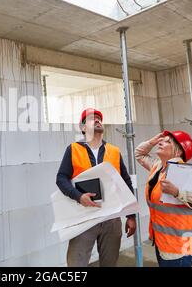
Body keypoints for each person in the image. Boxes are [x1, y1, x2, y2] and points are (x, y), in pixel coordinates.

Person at [56, 108, 137, 267]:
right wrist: (78, 196)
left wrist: (131, 215)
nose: (98, 120)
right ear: (83, 127)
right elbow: (61, 178)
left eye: (99, 118)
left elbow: (126, 182)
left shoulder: (114, 151)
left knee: (110, 263)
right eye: (92, 118)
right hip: (84, 216)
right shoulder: (73, 149)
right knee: (76, 264)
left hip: (111, 218)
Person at [135, 131, 192, 267]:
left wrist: (177, 192)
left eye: (167, 141)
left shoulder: (185, 171)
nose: (161, 142)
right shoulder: (158, 167)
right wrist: (152, 141)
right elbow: (139, 154)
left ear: (178, 151)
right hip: (162, 242)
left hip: (180, 248)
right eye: (162, 140)